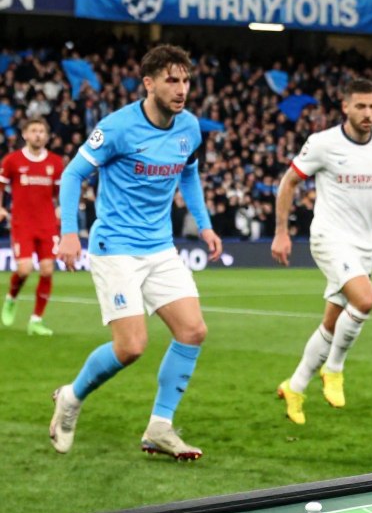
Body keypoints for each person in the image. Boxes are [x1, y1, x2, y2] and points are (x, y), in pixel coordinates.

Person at [50, 45, 222, 459]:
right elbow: (73, 173)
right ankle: (70, 398)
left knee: (193, 331)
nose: (182, 90)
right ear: (149, 83)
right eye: (171, 81)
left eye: (186, 81)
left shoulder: (190, 128)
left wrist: (205, 224)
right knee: (131, 347)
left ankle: (159, 428)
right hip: (116, 248)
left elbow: (190, 175)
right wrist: (69, 233)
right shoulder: (118, 127)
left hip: (160, 247)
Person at [272, 77, 372, 425]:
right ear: (346, 107)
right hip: (329, 237)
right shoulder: (323, 144)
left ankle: (295, 386)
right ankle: (334, 369)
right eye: (361, 106)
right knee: (365, 299)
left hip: (366, 245)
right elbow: (289, 182)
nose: (368, 113)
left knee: (331, 322)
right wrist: (281, 232)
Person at [0, 117, 63, 335]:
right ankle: (11, 297)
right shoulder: (12, 160)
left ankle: (36, 320)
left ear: (46, 136)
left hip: (47, 224)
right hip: (22, 223)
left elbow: (61, 193)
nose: (38, 135)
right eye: (33, 130)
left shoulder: (55, 162)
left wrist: (62, 207)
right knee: (24, 269)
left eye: (41, 131)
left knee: (47, 270)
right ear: (25, 134)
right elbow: (1, 186)